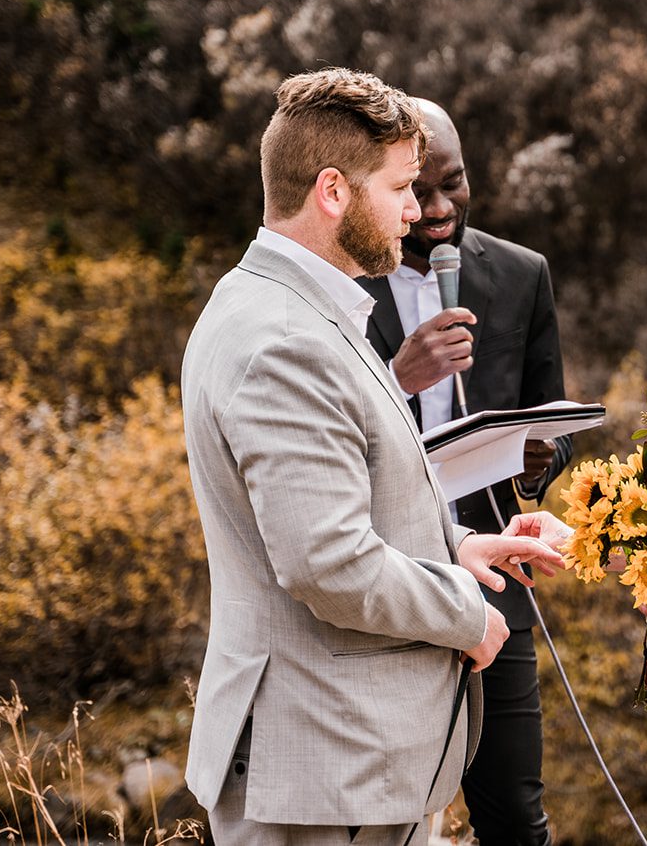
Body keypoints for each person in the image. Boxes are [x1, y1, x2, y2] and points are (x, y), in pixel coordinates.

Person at [180, 67, 562, 846]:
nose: (419, 211)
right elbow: (328, 562)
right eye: (399, 189)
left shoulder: (299, 306)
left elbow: (348, 501)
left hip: (345, 764)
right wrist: (466, 615)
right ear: (332, 191)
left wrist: (463, 547)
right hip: (322, 769)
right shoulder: (287, 342)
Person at [357, 99, 570, 846]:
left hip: (495, 586)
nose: (442, 208)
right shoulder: (341, 286)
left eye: (457, 183)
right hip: (379, 582)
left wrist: (540, 461)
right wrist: (397, 375)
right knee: (387, 819)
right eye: (422, 191)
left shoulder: (520, 275)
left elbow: (550, 418)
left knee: (513, 816)